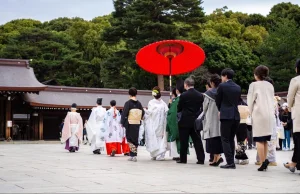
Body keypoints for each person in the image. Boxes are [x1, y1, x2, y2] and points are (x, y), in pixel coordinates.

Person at [247, 65, 275, 171]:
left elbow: (250, 101)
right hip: (269, 114)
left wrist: (250, 112)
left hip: (259, 114)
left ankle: (263, 162)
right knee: (265, 140)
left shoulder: (254, 85)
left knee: (259, 139)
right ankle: (265, 160)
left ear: (256, 74)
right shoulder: (270, 85)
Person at [216, 68, 241, 169]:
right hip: (236, 115)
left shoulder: (222, 86)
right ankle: (231, 161)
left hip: (226, 115)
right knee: (231, 138)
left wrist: (220, 109)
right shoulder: (238, 87)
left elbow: (218, 100)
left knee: (225, 139)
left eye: (222, 76)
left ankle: (230, 162)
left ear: (225, 76)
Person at [177, 76, 205, 164]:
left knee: (184, 141)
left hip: (184, 120)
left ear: (186, 85)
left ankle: (183, 159)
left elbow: (179, 107)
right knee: (197, 140)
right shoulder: (200, 95)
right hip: (195, 120)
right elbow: (201, 107)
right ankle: (201, 159)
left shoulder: (184, 95)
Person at [202, 74, 224, 166]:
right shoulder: (222, 92)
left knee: (212, 138)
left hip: (211, 117)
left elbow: (204, 107)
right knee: (218, 137)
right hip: (220, 117)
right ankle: (215, 159)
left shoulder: (208, 94)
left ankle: (217, 158)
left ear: (211, 83)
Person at [284, 59, 300, 174]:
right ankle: (294, 163)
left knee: (298, 139)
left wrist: (289, 108)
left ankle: (294, 163)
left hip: (299, 114)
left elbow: (290, 97)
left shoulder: (296, 80)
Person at [144, 86, 169, 161]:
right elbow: (167, 112)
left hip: (154, 122)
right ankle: (160, 154)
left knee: (154, 137)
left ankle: (155, 153)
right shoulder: (163, 103)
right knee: (161, 138)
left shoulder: (151, 102)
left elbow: (149, 112)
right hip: (162, 123)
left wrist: (144, 110)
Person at [121, 87, 145, 162]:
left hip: (130, 123)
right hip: (137, 123)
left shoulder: (128, 103)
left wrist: (122, 122)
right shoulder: (139, 103)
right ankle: (133, 155)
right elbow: (143, 112)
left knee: (130, 138)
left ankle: (133, 155)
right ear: (136, 94)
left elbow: (124, 113)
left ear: (129, 94)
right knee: (135, 138)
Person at [167, 79, 185, 161]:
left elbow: (172, 113)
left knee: (174, 138)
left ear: (177, 91)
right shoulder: (185, 98)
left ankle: (176, 154)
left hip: (175, 122)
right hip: (184, 122)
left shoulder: (175, 101)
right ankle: (182, 154)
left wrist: (170, 105)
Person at [235, 97, 249, 165]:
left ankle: (242, 157)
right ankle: (239, 156)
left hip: (236, 122)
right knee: (242, 141)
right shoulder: (244, 104)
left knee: (237, 141)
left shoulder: (234, 103)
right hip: (244, 123)